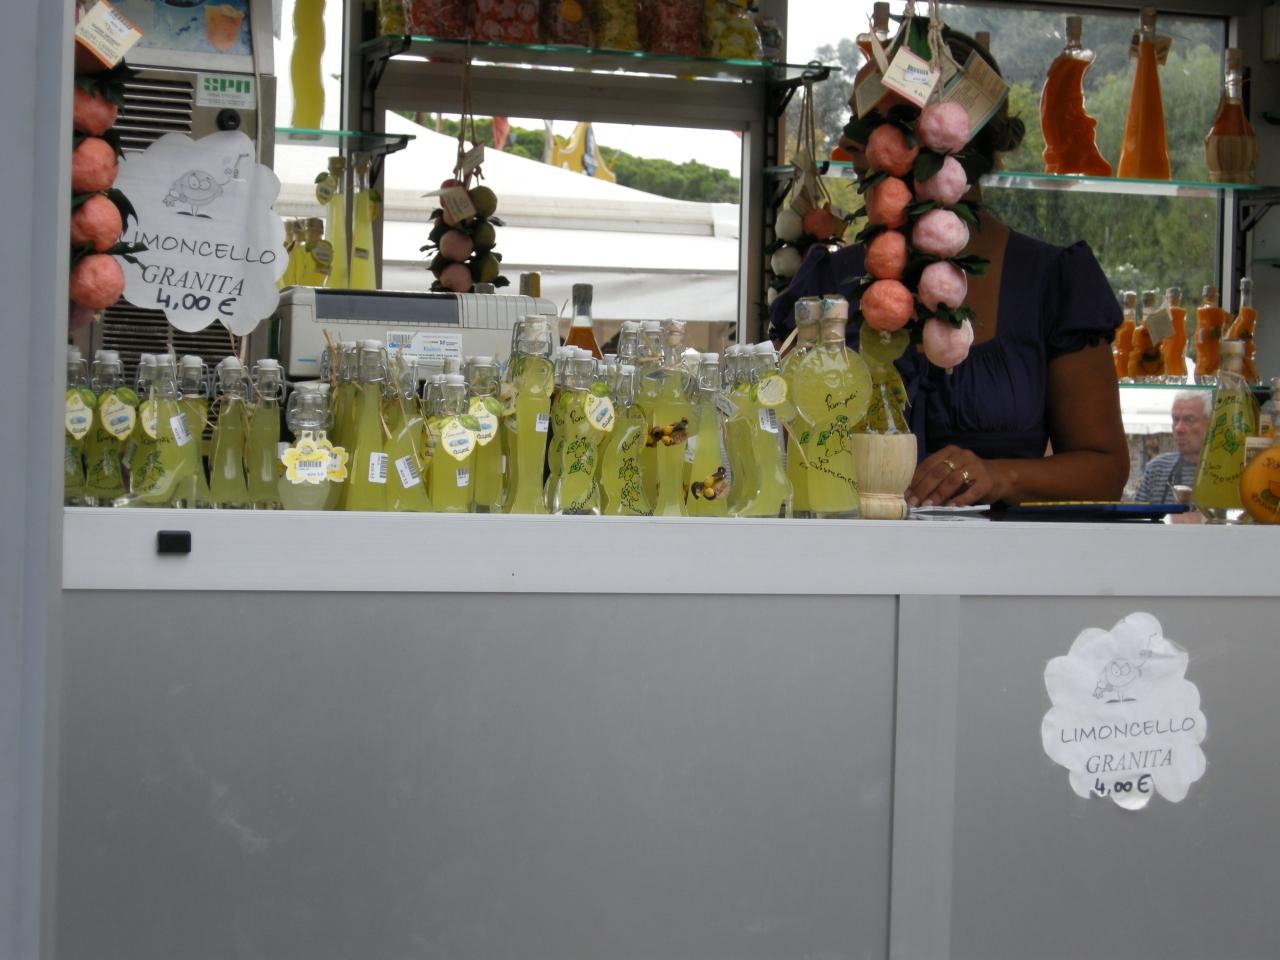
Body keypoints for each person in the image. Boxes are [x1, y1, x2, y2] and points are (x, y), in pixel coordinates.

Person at [768, 26, 1130, 508]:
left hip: (997, 556)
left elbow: (1105, 469)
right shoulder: (828, 285)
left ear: (948, 139)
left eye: (873, 128)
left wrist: (999, 477)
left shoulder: (1053, 283)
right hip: (844, 551)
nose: (850, 146)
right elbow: (776, 448)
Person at [1135, 392, 1210, 503]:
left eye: (1189, 419)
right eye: (1175, 419)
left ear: (1211, 424)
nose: (1178, 428)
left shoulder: (1229, 473)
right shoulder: (1157, 469)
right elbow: (1137, 513)